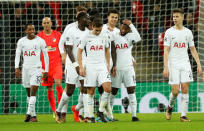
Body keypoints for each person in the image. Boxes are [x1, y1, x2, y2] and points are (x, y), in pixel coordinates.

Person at [163, 8, 202, 122]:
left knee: (185, 88)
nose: (174, 18)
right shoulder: (169, 32)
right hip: (173, 64)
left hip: (185, 64)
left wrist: (199, 65)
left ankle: (183, 115)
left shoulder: (188, 32)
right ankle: (170, 107)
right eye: (173, 16)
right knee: (175, 91)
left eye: (177, 16)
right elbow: (166, 50)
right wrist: (166, 66)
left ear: (182, 17)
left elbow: (193, 49)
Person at [55, 12, 89, 123]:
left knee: (85, 88)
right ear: (80, 19)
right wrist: (75, 65)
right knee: (70, 90)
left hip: (84, 63)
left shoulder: (88, 32)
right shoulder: (71, 31)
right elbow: (68, 49)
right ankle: (58, 111)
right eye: (86, 18)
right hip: (72, 63)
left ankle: (80, 113)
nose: (88, 20)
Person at [78, 17, 112, 123]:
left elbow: (107, 50)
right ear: (92, 26)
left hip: (101, 66)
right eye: (96, 30)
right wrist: (81, 67)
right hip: (90, 66)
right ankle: (91, 116)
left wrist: (107, 63)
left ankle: (100, 111)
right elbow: (79, 52)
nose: (98, 32)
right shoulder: (85, 36)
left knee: (108, 88)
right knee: (90, 92)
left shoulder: (105, 35)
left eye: (100, 30)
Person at [15, 23, 49, 122]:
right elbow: (17, 55)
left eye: (33, 29)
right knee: (28, 93)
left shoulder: (40, 41)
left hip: (37, 69)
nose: (32, 31)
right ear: (25, 31)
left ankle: (28, 114)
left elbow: (46, 57)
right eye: (29, 29)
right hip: (25, 69)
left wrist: (46, 70)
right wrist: (16, 68)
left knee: (33, 91)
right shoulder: (21, 41)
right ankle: (33, 116)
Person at [111, 19, 141, 122]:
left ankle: (134, 115)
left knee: (131, 90)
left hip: (128, 68)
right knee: (113, 91)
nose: (123, 30)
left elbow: (138, 37)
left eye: (126, 28)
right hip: (117, 69)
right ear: (120, 27)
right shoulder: (114, 35)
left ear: (128, 30)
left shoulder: (130, 36)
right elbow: (111, 51)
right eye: (122, 27)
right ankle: (110, 115)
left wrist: (131, 25)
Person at [37, 17, 63, 117]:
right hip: (45, 66)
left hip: (57, 64)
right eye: (45, 23)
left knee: (58, 83)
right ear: (42, 24)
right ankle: (54, 111)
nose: (47, 24)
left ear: (51, 23)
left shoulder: (58, 35)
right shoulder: (39, 37)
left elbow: (62, 49)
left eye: (48, 22)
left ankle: (60, 109)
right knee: (49, 87)